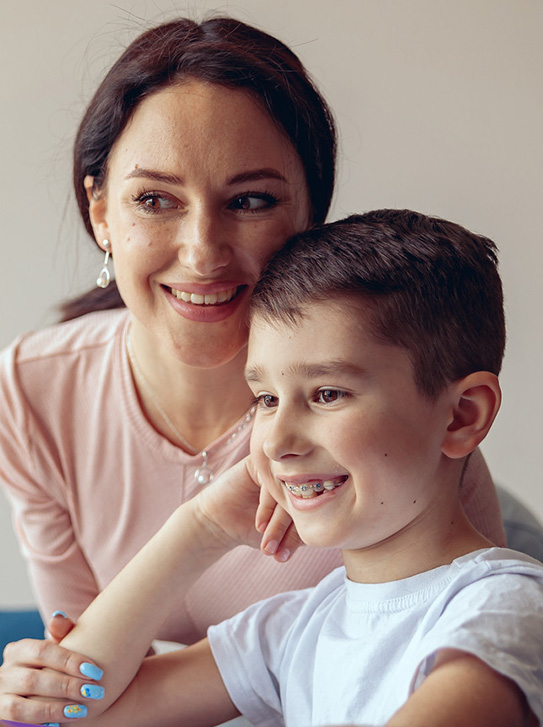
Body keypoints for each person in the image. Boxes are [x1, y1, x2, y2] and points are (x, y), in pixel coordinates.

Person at [0, 14, 504, 698]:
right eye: (153, 199)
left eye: (250, 200)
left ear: (309, 219)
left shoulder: (422, 464)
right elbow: (73, 688)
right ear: (101, 214)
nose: (202, 250)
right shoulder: (31, 392)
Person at [2, 209, 541, 727]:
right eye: (264, 398)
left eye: (327, 393)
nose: (278, 440)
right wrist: (200, 529)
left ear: (461, 416)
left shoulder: (505, 608)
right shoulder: (296, 628)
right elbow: (80, 709)